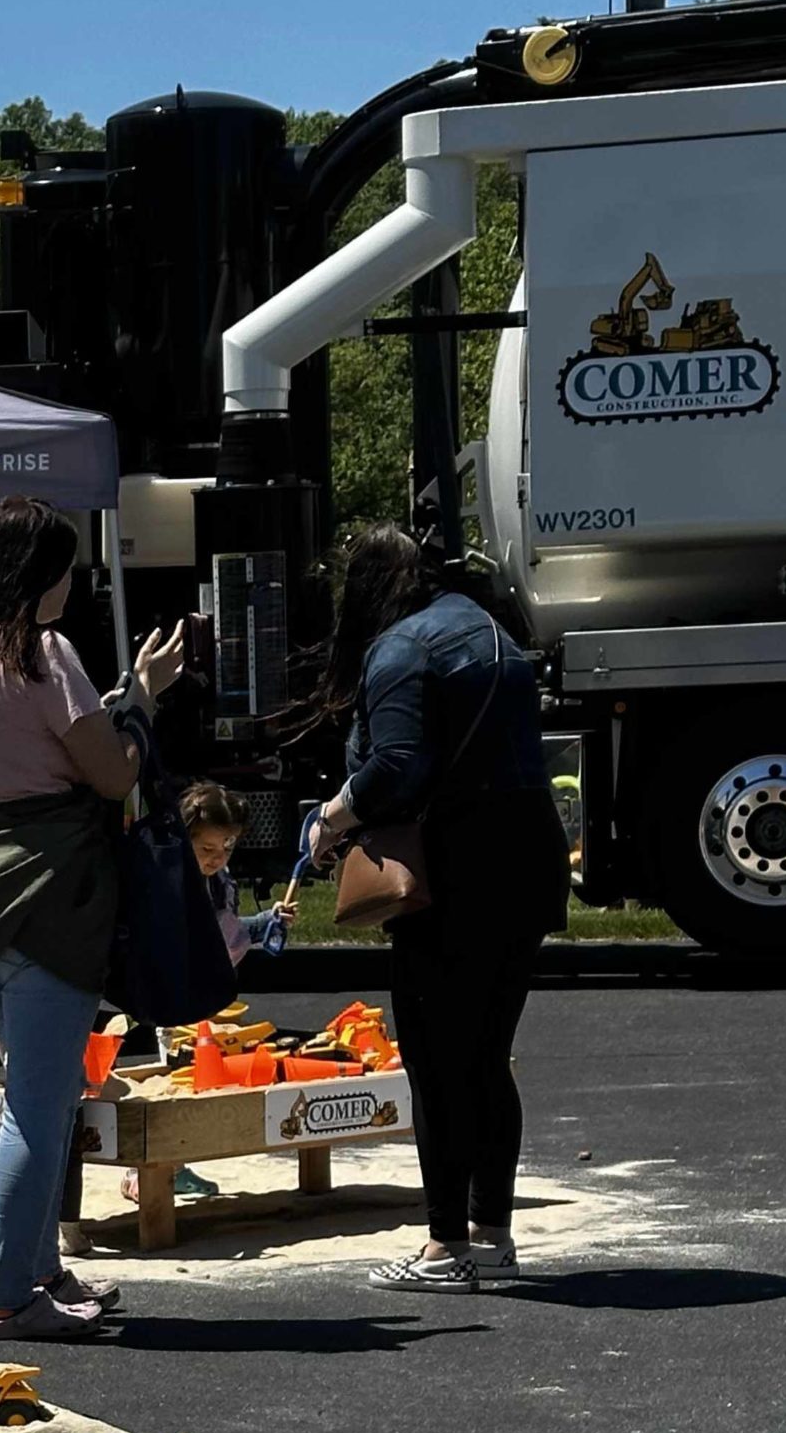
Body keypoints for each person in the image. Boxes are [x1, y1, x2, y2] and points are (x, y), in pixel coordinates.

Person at [0, 495, 184, 1340]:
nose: (74, 582)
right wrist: (141, 701)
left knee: (44, 1092)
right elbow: (111, 773)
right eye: (66, 568)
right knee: (40, 1104)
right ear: (42, 577)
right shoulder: (44, 652)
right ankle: (6, 1295)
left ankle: (36, 1271)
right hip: (43, 902)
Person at [304, 526, 570, 1291]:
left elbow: (397, 764)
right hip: (526, 858)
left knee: (435, 1060)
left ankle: (443, 1246)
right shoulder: (488, 630)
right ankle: (491, 1235)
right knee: (487, 1055)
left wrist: (333, 815)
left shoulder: (401, 649)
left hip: (456, 868)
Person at [181, 779, 297, 965]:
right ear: (184, 841)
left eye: (227, 849)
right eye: (207, 849)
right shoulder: (174, 889)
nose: (219, 859)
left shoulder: (220, 883)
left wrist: (268, 921)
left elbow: (225, 934)